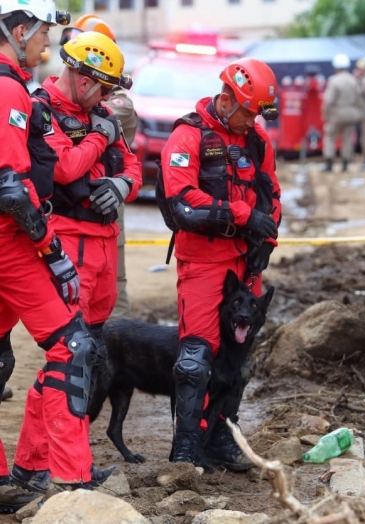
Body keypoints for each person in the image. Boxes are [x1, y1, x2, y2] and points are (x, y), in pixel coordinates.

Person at [7, 29, 142, 498]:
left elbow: (133, 163)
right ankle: (47, 468)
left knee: (83, 355)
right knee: (70, 357)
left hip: (103, 246)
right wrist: (100, 141)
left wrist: (122, 187)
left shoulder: (100, 113)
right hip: (67, 244)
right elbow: (63, 168)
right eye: (104, 87)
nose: (108, 98)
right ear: (83, 78)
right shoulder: (40, 109)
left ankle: (35, 468)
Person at [0, 0, 108, 512]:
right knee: (73, 348)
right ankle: (71, 483)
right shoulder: (7, 90)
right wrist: (52, 250)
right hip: (9, 243)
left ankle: (6, 480)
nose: (48, 45)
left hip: (13, 239)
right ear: (19, 30)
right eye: (44, 34)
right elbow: (12, 190)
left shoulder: (18, 90)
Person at [160, 57, 282, 470]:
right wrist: (244, 216)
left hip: (246, 260)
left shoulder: (257, 140)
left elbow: (272, 196)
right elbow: (181, 198)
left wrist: (267, 238)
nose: (252, 121)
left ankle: (221, 439)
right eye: (248, 111)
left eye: (257, 114)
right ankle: (186, 448)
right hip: (204, 258)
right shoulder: (188, 135)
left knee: (238, 360)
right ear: (227, 99)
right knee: (196, 359)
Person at [59, 14, 139, 319]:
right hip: (70, 214)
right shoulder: (64, 101)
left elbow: (112, 131)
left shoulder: (115, 102)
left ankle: (113, 354)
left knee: (112, 289)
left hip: (106, 205)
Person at [321, 53, 363, 173]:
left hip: (336, 114)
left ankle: (329, 163)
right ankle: (345, 163)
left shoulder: (334, 81)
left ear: (335, 67)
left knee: (330, 137)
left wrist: (325, 113)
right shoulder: (353, 80)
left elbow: (328, 101)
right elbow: (359, 99)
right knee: (348, 139)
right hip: (351, 113)